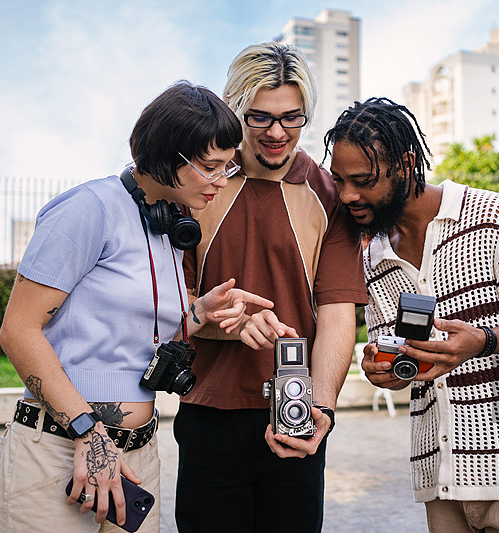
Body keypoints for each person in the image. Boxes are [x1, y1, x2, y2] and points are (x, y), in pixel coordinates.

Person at [0, 81, 275, 533]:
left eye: (227, 166)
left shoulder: (170, 226)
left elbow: (138, 335)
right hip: (65, 448)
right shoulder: (88, 208)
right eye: (210, 167)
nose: (223, 180)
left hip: (136, 455)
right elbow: (18, 330)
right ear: (165, 156)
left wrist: (200, 313)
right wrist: (89, 433)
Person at [325, 98, 499, 533]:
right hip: (441, 483)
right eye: (339, 181)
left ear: (406, 165)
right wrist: (384, 370)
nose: (348, 195)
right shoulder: (372, 257)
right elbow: (402, 360)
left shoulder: (496, 215)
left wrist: (482, 341)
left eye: (363, 181)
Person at [176, 42, 367, 532]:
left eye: (291, 117)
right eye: (259, 117)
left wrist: (321, 409)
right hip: (208, 410)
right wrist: (230, 323)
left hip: (296, 414)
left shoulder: (329, 195)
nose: (277, 132)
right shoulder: (199, 186)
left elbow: (337, 314)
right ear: (234, 109)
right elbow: (174, 307)